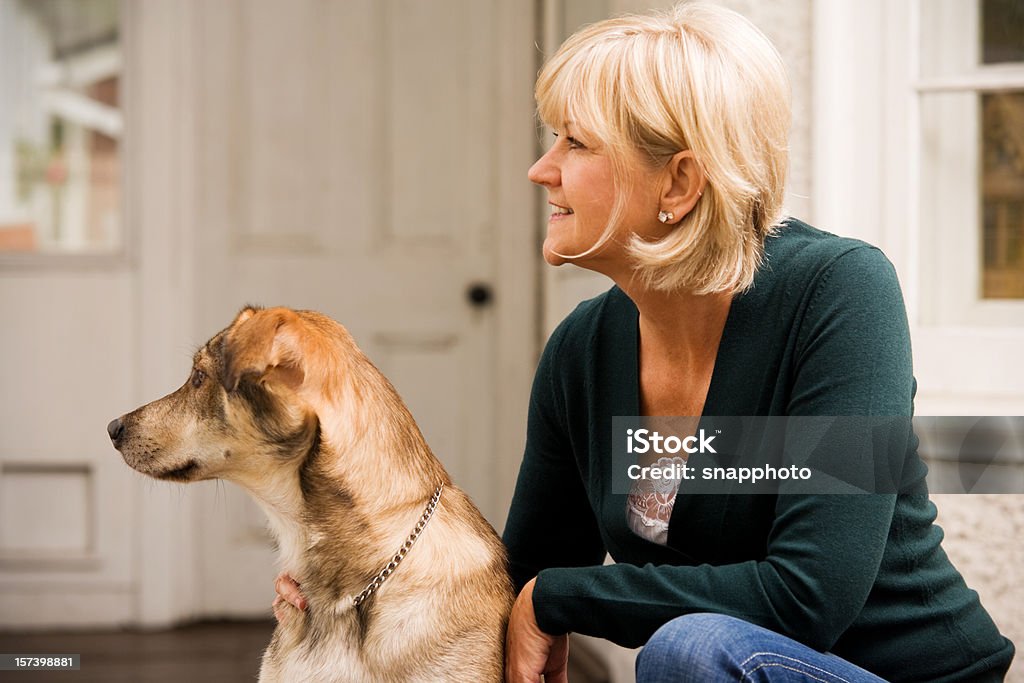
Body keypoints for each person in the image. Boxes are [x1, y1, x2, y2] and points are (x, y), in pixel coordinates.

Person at [276, 3, 1015, 681]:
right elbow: (516, 588)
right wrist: (354, 586)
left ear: (679, 184)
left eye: (575, 142)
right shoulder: (583, 353)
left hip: (911, 676)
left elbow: (808, 594)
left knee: (691, 649)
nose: (543, 169)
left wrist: (560, 598)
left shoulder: (839, 294)